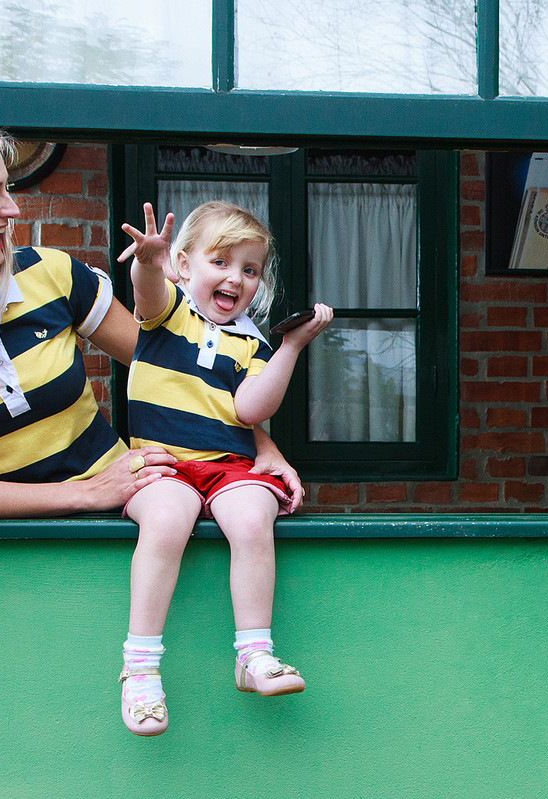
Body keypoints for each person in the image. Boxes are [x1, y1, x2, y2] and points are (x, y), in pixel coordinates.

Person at [0, 111, 302, 530]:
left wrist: (260, 447)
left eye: (7, 190)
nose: (12, 209)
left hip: (132, 516)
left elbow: (179, 369)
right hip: (6, 546)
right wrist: (85, 493)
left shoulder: (48, 274)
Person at [116, 200, 332, 736]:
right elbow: (146, 294)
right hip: (163, 464)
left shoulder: (252, 339)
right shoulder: (169, 311)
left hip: (228, 464)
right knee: (167, 520)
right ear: (184, 266)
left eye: (250, 269)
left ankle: (253, 653)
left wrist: (290, 345)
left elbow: (250, 409)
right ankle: (140, 668)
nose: (235, 278)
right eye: (221, 262)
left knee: (255, 516)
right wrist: (148, 259)